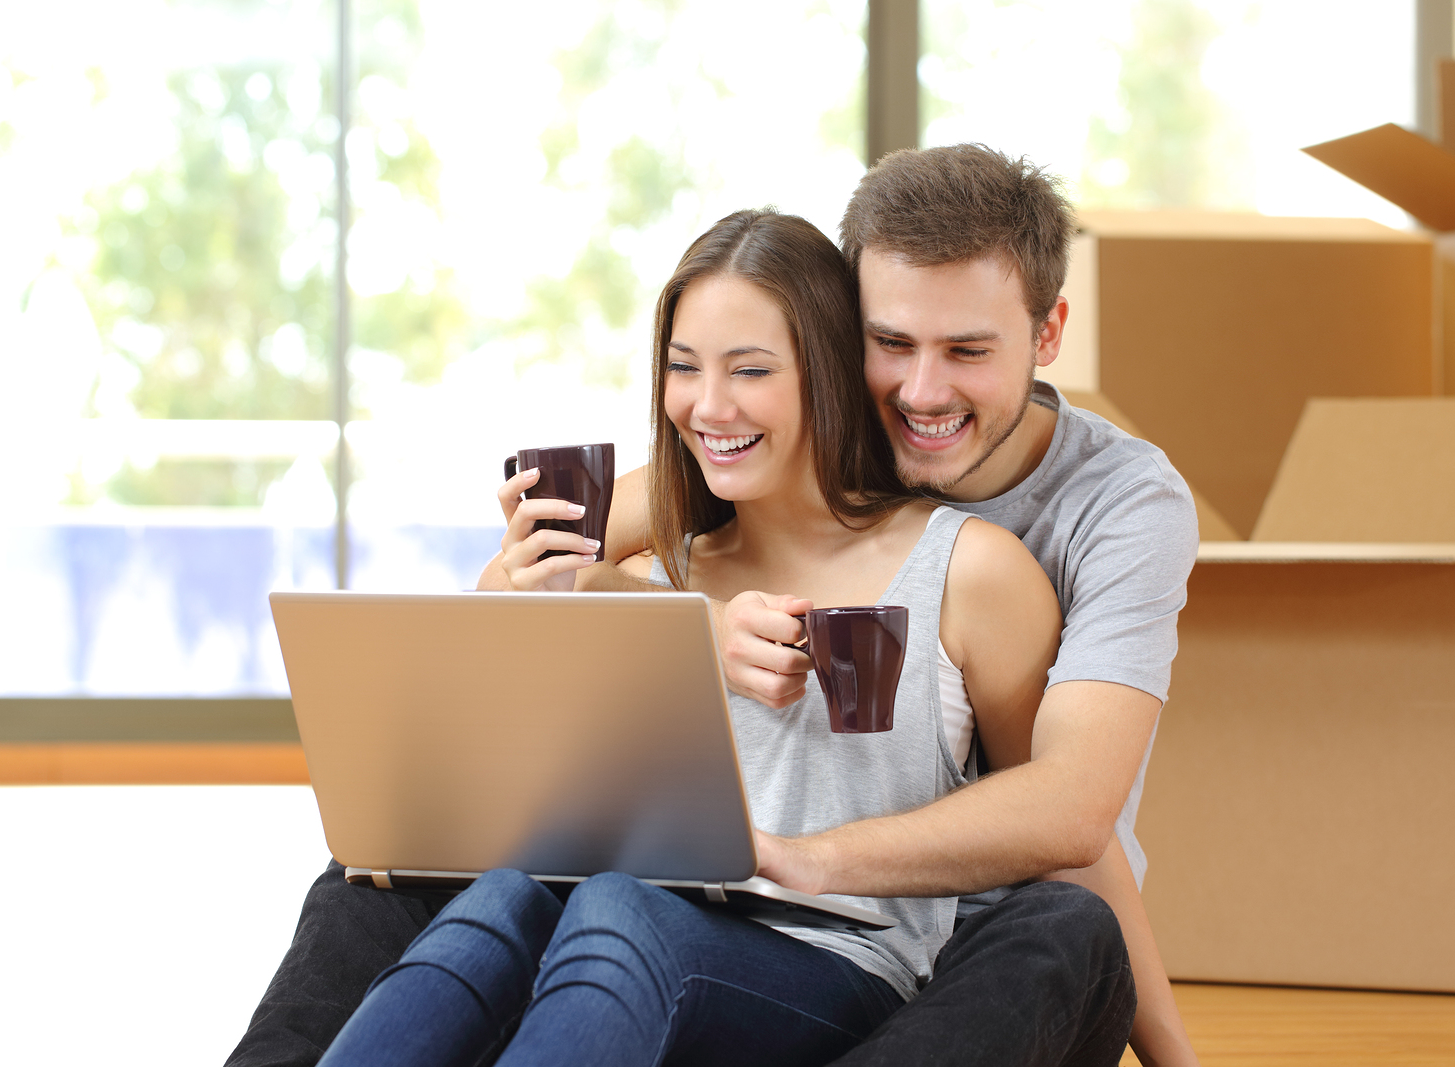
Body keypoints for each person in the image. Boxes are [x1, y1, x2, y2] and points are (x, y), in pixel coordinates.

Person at [226, 144, 1200, 1067]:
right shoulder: (750, 452)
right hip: (684, 920)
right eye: (888, 342)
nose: (919, 388)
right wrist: (667, 615)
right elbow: (544, 578)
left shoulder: (1071, 525)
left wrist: (798, 860)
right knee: (422, 874)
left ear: (1046, 335)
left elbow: (1076, 812)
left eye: (967, 350)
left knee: (1067, 932)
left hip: (927, 937)